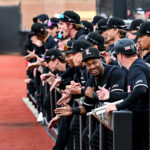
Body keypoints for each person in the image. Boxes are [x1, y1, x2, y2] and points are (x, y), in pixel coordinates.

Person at [105, 38, 150, 150]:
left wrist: (118, 105)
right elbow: (132, 94)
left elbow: (141, 89)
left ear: (120, 55)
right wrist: (111, 95)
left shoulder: (136, 68)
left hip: (145, 121)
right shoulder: (137, 65)